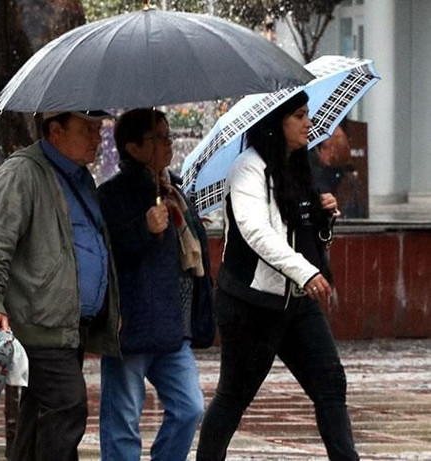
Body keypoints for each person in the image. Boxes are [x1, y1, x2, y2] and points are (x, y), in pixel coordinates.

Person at [195, 91, 359, 460]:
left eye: (308, 114)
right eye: (299, 115)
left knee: (331, 386)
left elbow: (300, 233)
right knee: (234, 397)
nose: (308, 123)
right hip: (252, 304)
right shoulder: (248, 168)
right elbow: (257, 233)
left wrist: (322, 216)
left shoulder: (298, 166)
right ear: (276, 123)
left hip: (298, 304)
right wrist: (306, 272)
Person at [0, 111, 121, 461]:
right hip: (37, 321)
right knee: (67, 406)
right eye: (87, 130)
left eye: (98, 130)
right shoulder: (21, 173)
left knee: (38, 419)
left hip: (68, 324)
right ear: (56, 130)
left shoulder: (80, 177)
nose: (97, 138)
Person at [97, 109, 214, 461]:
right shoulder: (111, 195)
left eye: (169, 136)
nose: (169, 144)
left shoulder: (173, 190)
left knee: (190, 407)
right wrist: (143, 229)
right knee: (123, 421)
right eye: (159, 138)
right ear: (133, 148)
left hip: (173, 326)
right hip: (132, 325)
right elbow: (106, 255)